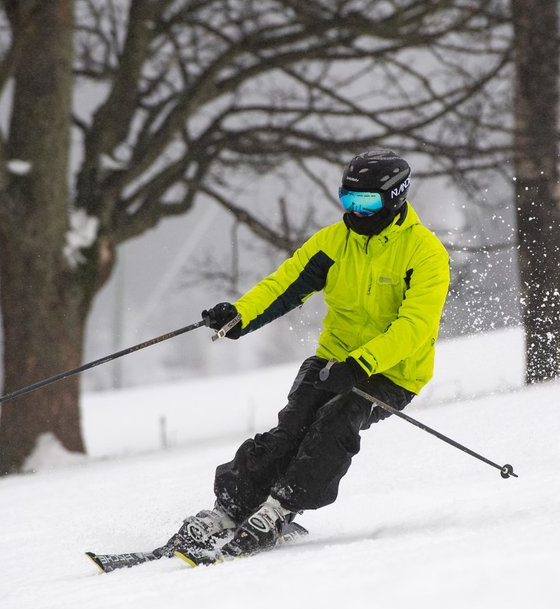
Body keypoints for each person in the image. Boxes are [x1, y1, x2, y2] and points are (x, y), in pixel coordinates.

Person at [173, 150, 450, 560]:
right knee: (291, 428)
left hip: (392, 372)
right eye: (348, 200)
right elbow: (284, 286)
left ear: (395, 197)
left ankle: (281, 508)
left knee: (335, 422)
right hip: (334, 358)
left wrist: (361, 365)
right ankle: (228, 511)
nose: (356, 211)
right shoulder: (334, 243)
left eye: (367, 202)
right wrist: (239, 316)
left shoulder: (425, 253)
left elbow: (415, 327)